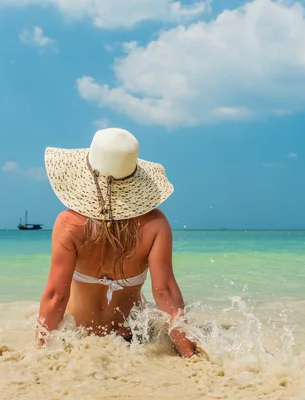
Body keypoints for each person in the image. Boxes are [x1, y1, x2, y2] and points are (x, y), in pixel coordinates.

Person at [36, 127, 198, 358]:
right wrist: (189, 354)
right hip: (130, 338)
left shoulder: (69, 224)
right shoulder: (155, 224)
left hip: (81, 339)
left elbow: (56, 297)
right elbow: (165, 293)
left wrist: (40, 353)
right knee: (144, 301)